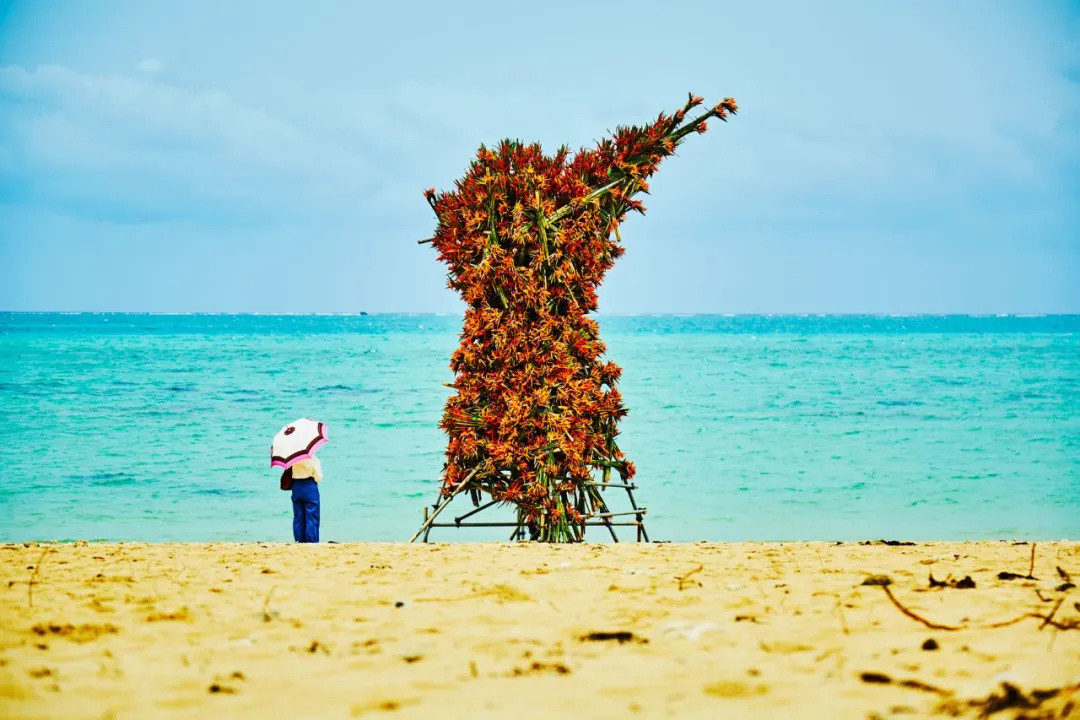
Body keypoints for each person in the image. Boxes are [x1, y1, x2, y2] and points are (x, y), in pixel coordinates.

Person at [281, 455, 322, 543]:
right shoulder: (313, 459)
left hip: (296, 487)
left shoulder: (292, 460)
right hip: (309, 486)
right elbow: (318, 477)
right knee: (312, 517)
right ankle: (311, 542)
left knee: (298, 517)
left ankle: (299, 541)